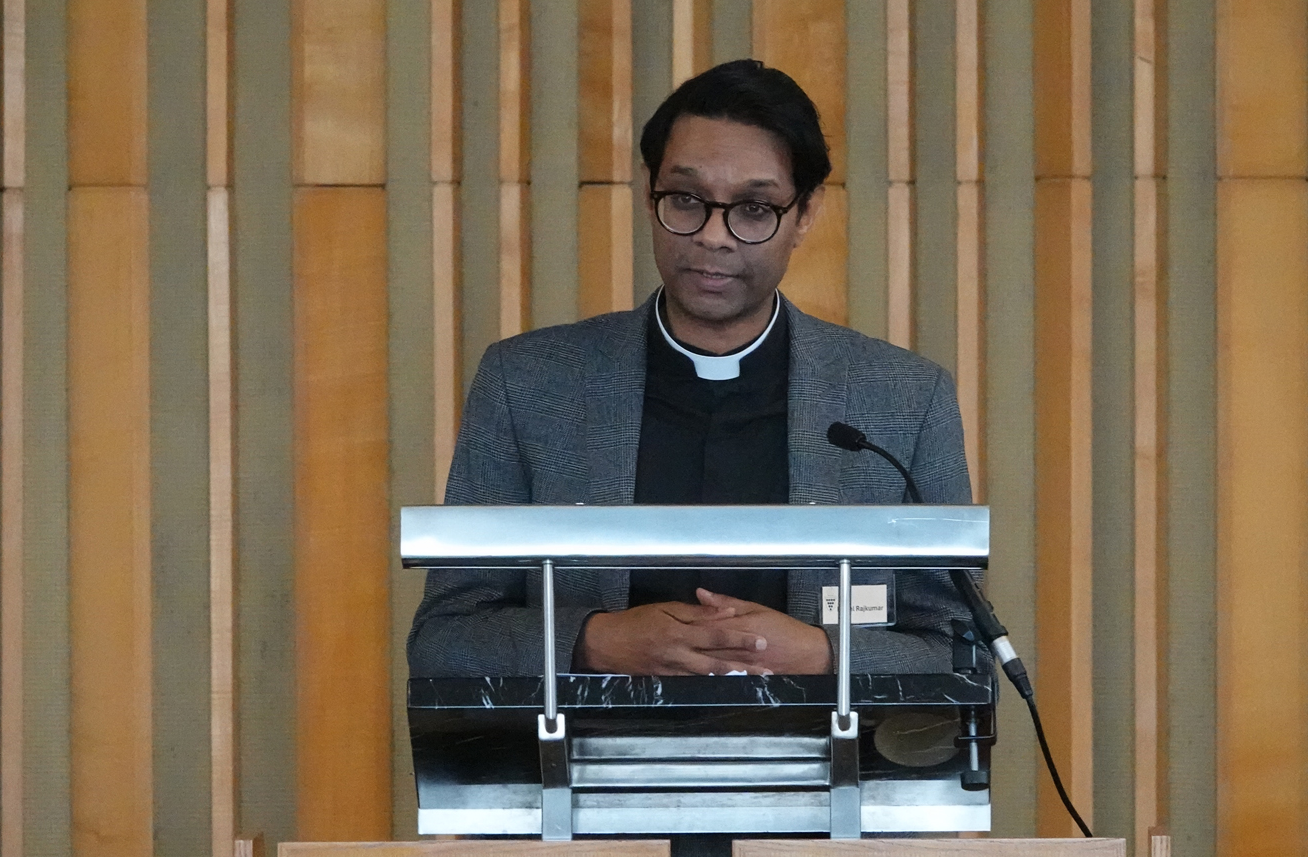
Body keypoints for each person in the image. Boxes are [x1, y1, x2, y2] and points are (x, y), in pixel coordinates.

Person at [406, 59, 973, 679]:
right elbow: (444, 639)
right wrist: (595, 641)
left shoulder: (902, 400)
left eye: (754, 209)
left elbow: (960, 650)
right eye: (686, 200)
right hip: (584, 766)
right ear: (649, 193)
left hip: (829, 768)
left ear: (805, 214)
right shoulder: (530, 383)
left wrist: (819, 653)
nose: (712, 236)